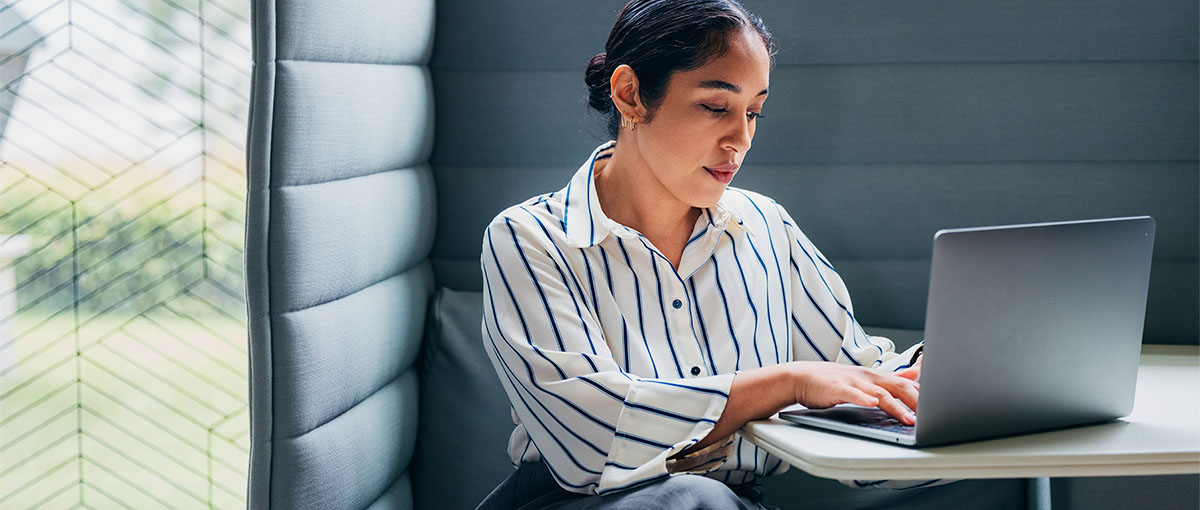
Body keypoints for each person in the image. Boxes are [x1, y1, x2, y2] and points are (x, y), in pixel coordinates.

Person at [477, 1, 926, 508]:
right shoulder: (529, 239)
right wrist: (787, 383)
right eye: (716, 107)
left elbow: (857, 379)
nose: (742, 140)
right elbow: (594, 443)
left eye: (754, 112)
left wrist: (938, 379)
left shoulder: (766, 226)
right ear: (630, 95)